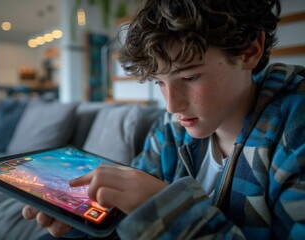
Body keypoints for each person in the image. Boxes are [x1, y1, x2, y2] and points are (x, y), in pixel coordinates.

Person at [22, 0, 305, 239]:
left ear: (250, 50)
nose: (172, 105)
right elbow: (122, 224)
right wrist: (81, 225)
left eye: (190, 77)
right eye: (159, 82)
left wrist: (166, 208)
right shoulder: (169, 132)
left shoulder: (296, 134)